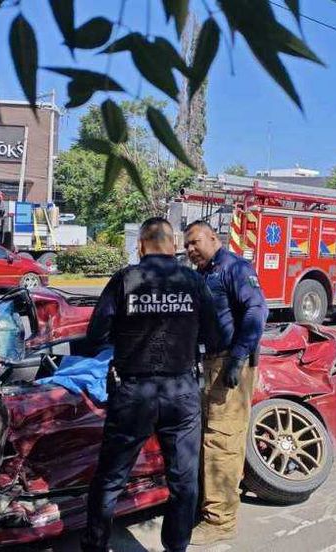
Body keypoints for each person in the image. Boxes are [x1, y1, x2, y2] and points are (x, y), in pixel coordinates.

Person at [81, 217, 219, 552]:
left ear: (140, 246)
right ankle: (176, 547)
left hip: (134, 392)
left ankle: (95, 545)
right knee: (184, 481)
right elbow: (216, 336)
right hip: (181, 392)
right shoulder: (193, 281)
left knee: (111, 478)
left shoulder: (125, 280)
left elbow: (95, 336)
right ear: (173, 246)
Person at [184, 221, 269, 545]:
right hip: (208, 364)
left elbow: (256, 311)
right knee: (207, 438)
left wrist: (237, 358)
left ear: (213, 238)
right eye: (186, 246)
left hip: (230, 363)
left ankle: (220, 521)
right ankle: (209, 506)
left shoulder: (235, 268)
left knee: (222, 440)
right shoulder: (202, 275)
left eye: (195, 242)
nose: (191, 250)